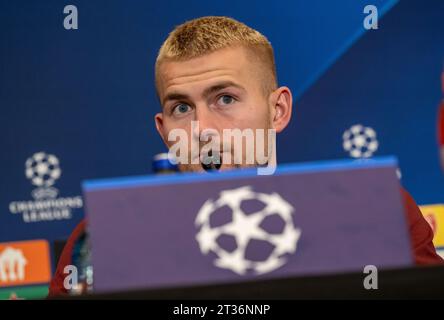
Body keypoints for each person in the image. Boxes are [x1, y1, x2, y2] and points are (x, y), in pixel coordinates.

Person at [48, 16, 443, 296]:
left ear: (278, 111)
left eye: (225, 98)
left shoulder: (375, 211)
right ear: (164, 129)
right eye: (181, 108)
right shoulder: (102, 236)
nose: (201, 129)